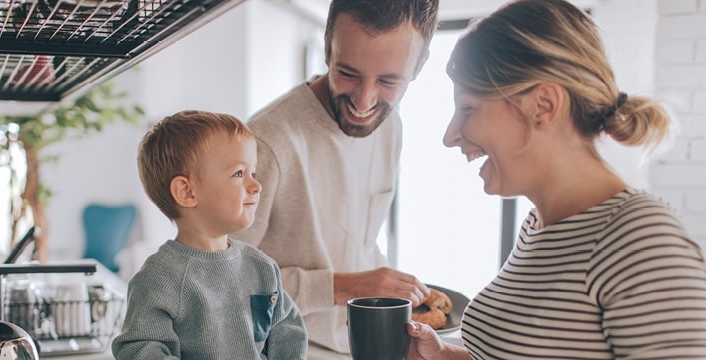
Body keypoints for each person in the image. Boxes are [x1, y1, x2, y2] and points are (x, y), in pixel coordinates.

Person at [406, 0, 706, 358]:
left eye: (469, 108)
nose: (451, 135)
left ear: (543, 106)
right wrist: (440, 354)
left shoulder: (640, 240)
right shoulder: (539, 227)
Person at [232, 0, 440, 358]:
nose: (364, 100)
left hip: (360, 345)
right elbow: (224, 282)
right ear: (327, 48)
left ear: (420, 66)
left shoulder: (391, 126)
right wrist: (345, 286)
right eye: (349, 73)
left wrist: (383, 286)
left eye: (389, 81)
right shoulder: (267, 140)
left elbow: (355, 239)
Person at [112, 110, 308, 359]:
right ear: (187, 192)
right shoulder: (158, 279)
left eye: (254, 173)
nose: (256, 185)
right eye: (239, 174)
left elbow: (288, 333)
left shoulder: (262, 267)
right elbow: (140, 351)